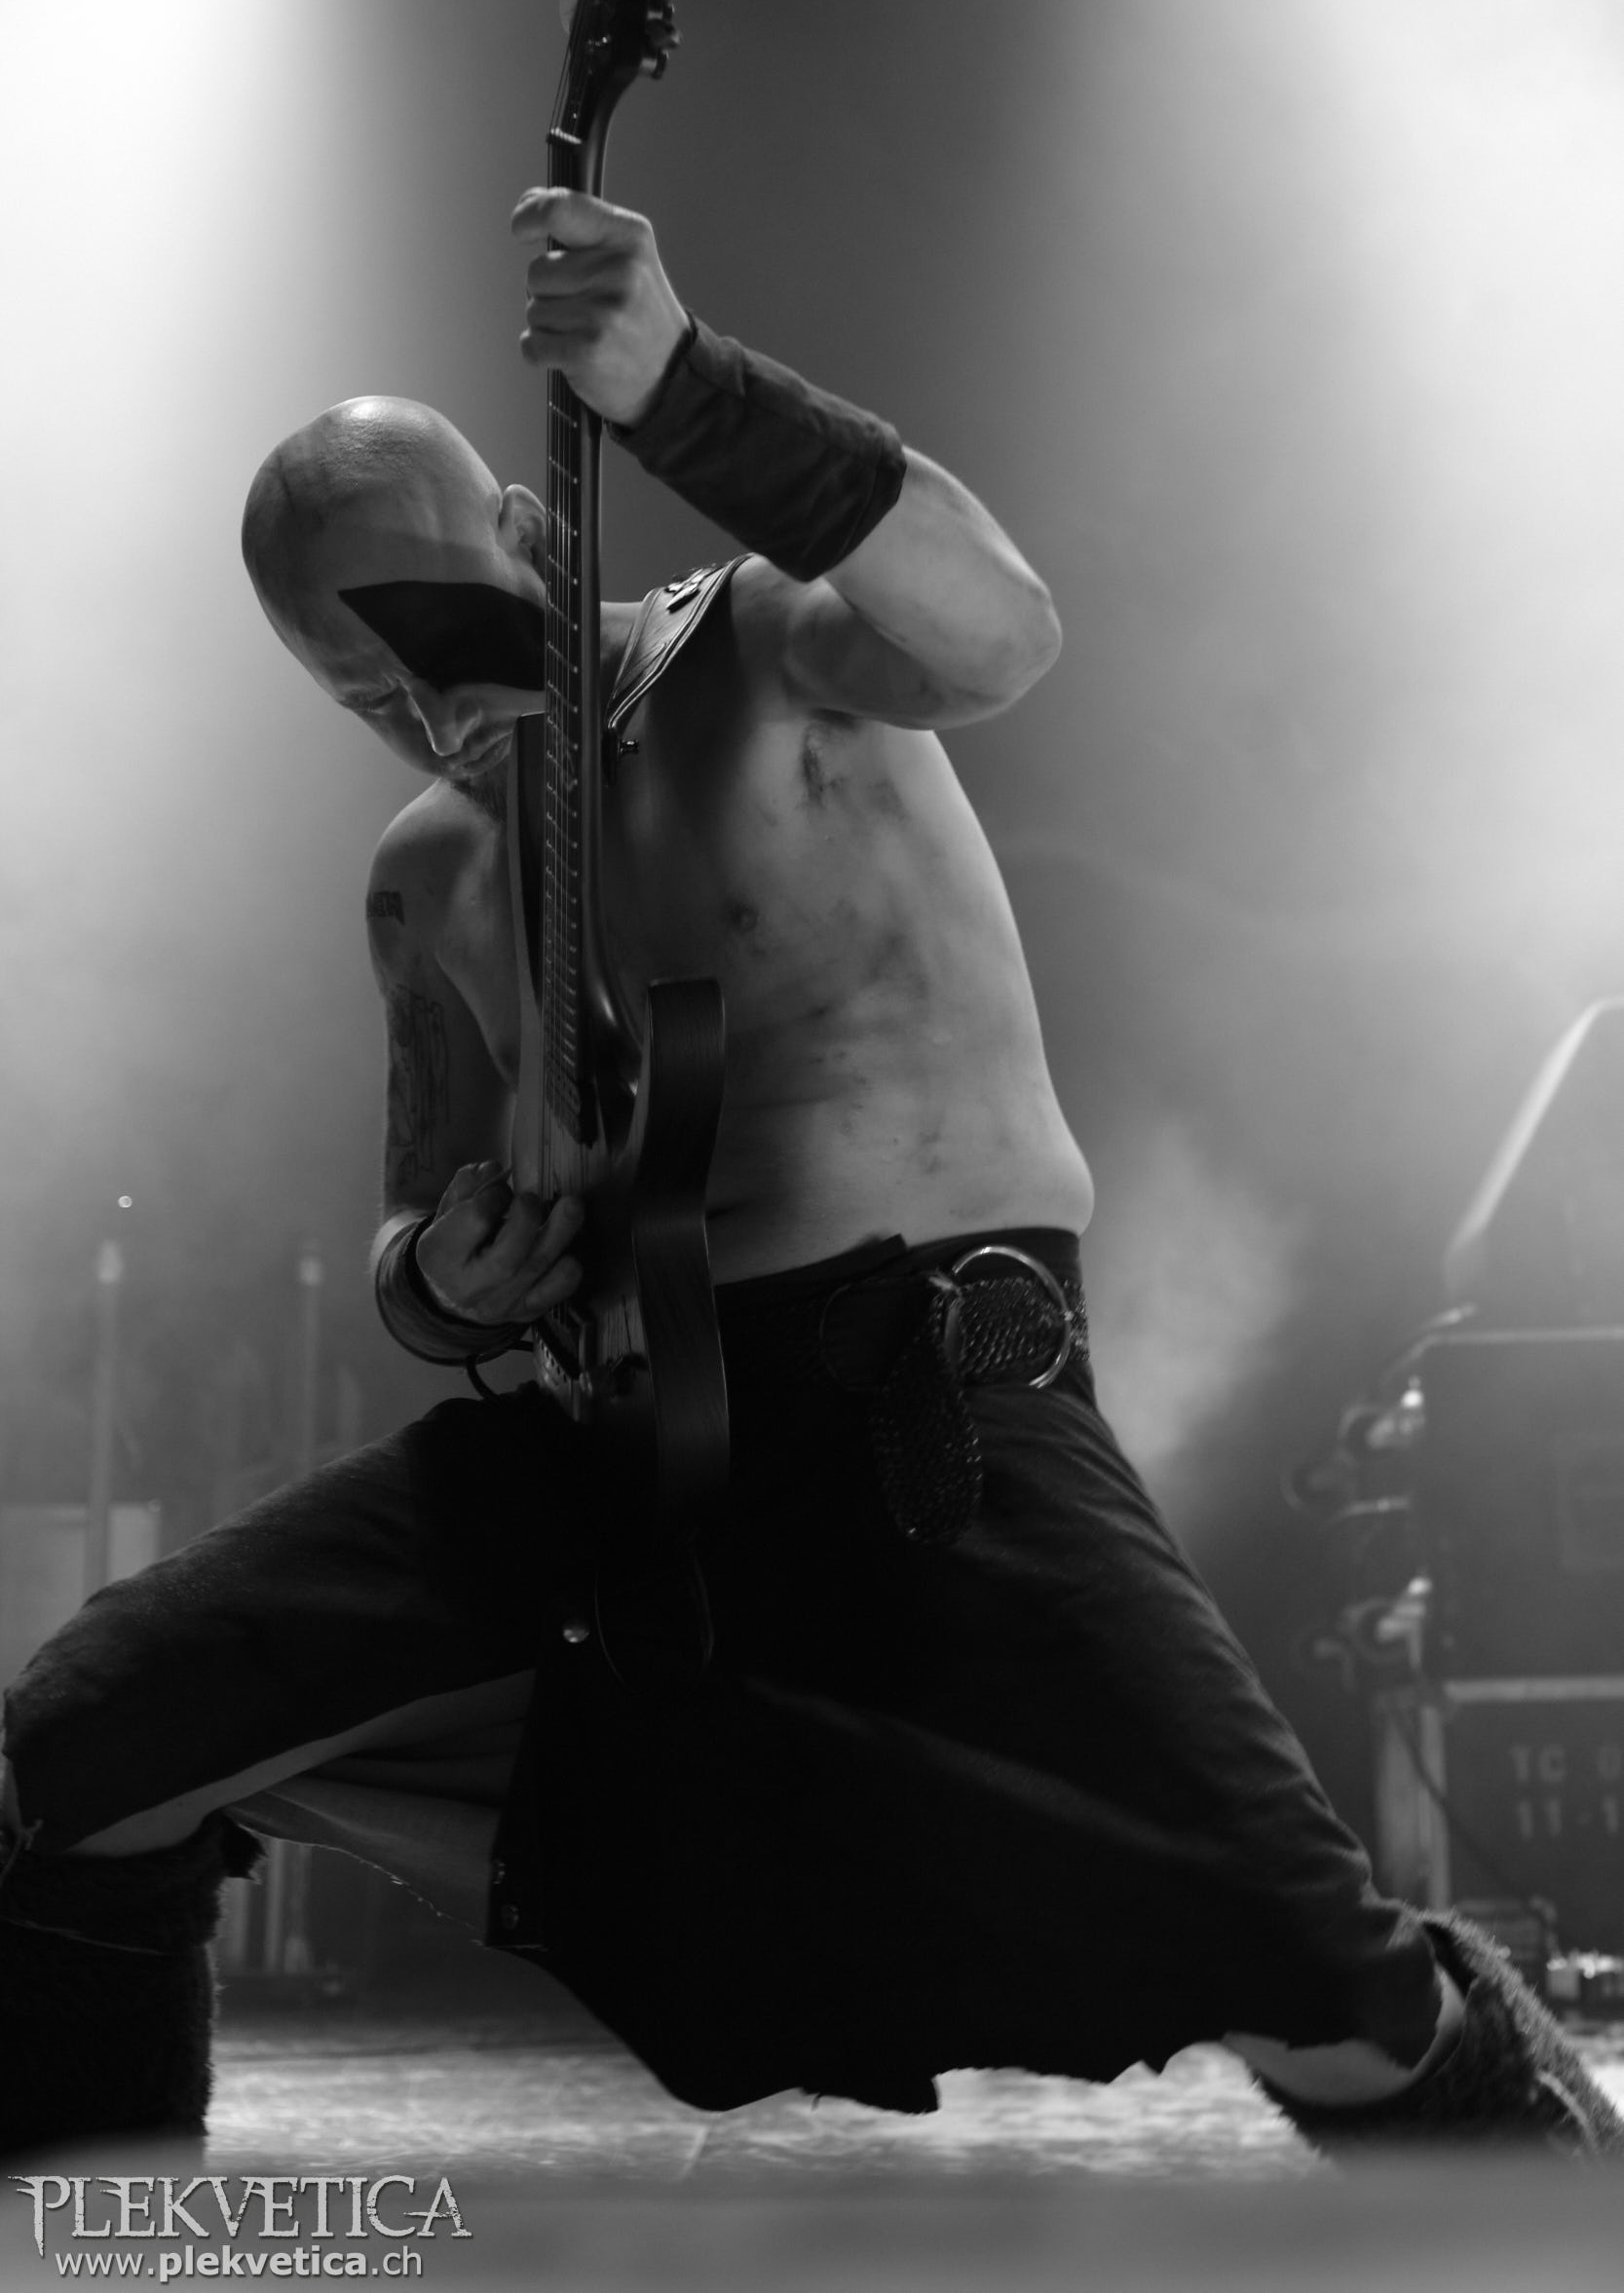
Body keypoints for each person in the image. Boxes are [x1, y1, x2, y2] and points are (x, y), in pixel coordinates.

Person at [2, 188, 1616, 2158]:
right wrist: (448, 1274)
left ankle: (1531, 2180)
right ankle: (90, 2242)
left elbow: (1003, 627)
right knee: (84, 1738)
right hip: (615, 1460)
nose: (422, 712)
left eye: (431, 637)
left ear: (527, 530)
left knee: (1326, 1986)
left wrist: (680, 382)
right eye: (360, 693)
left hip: (930, 1408)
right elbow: (411, 1223)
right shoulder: (426, 870)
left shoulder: (768, 649)